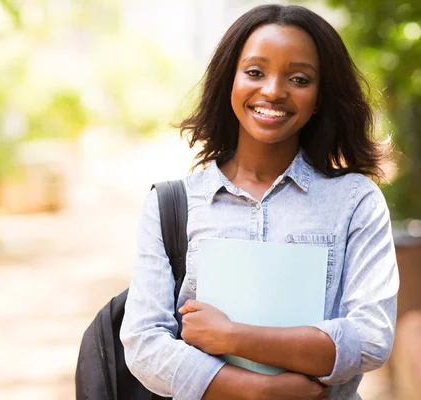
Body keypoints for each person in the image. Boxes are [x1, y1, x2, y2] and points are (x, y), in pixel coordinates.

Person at [120, 4, 399, 400]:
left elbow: (370, 338)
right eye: (254, 72)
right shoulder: (171, 205)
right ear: (229, 80)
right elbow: (143, 342)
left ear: (319, 96)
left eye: (299, 78)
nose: (272, 90)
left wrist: (233, 336)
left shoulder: (355, 202)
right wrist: (261, 391)